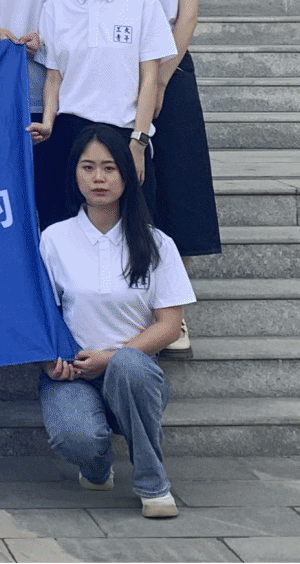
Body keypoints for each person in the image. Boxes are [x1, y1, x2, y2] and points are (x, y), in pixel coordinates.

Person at [38, 122, 194, 521]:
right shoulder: (54, 239)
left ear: (128, 174)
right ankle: (96, 466)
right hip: (73, 371)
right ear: (75, 174)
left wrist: (111, 357)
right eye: (88, 167)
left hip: (134, 375)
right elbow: (42, 314)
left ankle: (153, 484)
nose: (99, 178)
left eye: (109, 168)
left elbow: (169, 325)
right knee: (75, 437)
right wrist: (51, 360)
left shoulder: (157, 243)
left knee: (127, 364)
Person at [107, 0, 222, 347]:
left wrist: (158, 80)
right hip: (110, 72)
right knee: (123, 185)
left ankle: (172, 313)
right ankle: (119, 305)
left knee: (177, 187)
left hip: (170, 73)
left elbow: (186, 15)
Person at [29, 0, 175, 230]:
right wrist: (48, 122)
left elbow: (149, 79)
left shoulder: (143, 5)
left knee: (133, 234)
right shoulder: (55, 8)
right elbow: (54, 77)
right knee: (64, 230)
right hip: (68, 136)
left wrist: (138, 142)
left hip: (123, 134)